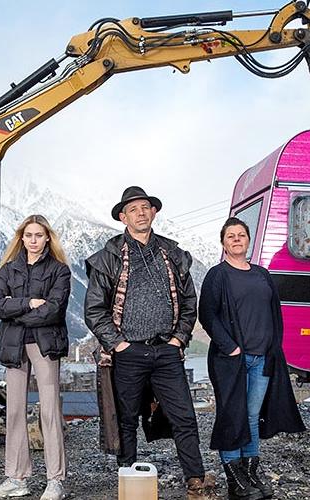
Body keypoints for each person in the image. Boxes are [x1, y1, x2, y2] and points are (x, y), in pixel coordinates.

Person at [85, 186, 216, 498]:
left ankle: (195, 477)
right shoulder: (109, 257)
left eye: (145, 207)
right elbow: (94, 309)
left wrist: (179, 339)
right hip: (128, 352)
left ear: (154, 212)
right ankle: (128, 479)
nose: (140, 213)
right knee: (126, 419)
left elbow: (189, 303)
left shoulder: (173, 254)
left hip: (166, 351)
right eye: (133, 209)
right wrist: (119, 344)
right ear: (123, 217)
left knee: (184, 416)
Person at [199, 217, 306, 499]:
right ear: (223, 243)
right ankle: (234, 480)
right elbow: (207, 315)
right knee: (232, 414)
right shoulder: (217, 275)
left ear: (248, 240)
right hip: (231, 360)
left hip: (262, 359)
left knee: (251, 415)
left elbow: (274, 313)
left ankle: (250, 473)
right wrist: (230, 348)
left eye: (241, 235)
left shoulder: (262, 274)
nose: (236, 239)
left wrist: (274, 348)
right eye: (230, 235)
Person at [0, 215, 71, 500]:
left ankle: (55, 480)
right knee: (14, 412)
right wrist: (28, 303)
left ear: (47, 238)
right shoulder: (8, 269)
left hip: (45, 345)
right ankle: (16, 478)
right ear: (21, 238)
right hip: (14, 346)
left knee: (49, 412)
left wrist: (15, 311)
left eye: (38, 235)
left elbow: (54, 310)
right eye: (29, 235)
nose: (33, 240)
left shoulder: (59, 270)